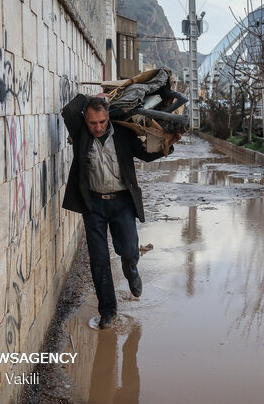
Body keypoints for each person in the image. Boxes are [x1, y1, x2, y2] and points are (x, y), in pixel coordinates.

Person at [61, 93, 181, 329]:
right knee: (99, 260)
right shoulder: (80, 132)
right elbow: (68, 110)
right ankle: (108, 311)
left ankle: (132, 269)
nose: (98, 127)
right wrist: (93, 98)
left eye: (102, 122)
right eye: (93, 122)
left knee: (127, 250)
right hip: (93, 205)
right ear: (86, 121)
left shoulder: (123, 133)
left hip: (122, 202)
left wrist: (169, 144)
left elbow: (146, 154)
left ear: (108, 118)